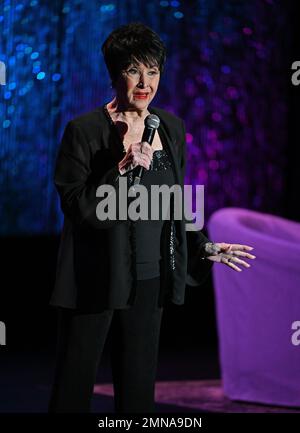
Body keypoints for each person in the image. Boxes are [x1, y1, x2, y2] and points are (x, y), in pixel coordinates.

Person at [48, 22, 255, 413]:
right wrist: (120, 171)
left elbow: (175, 200)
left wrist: (204, 244)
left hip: (150, 277)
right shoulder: (85, 131)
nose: (145, 82)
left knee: (138, 393)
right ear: (115, 74)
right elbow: (77, 207)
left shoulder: (170, 128)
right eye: (133, 70)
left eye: (153, 71)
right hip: (95, 277)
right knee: (73, 388)